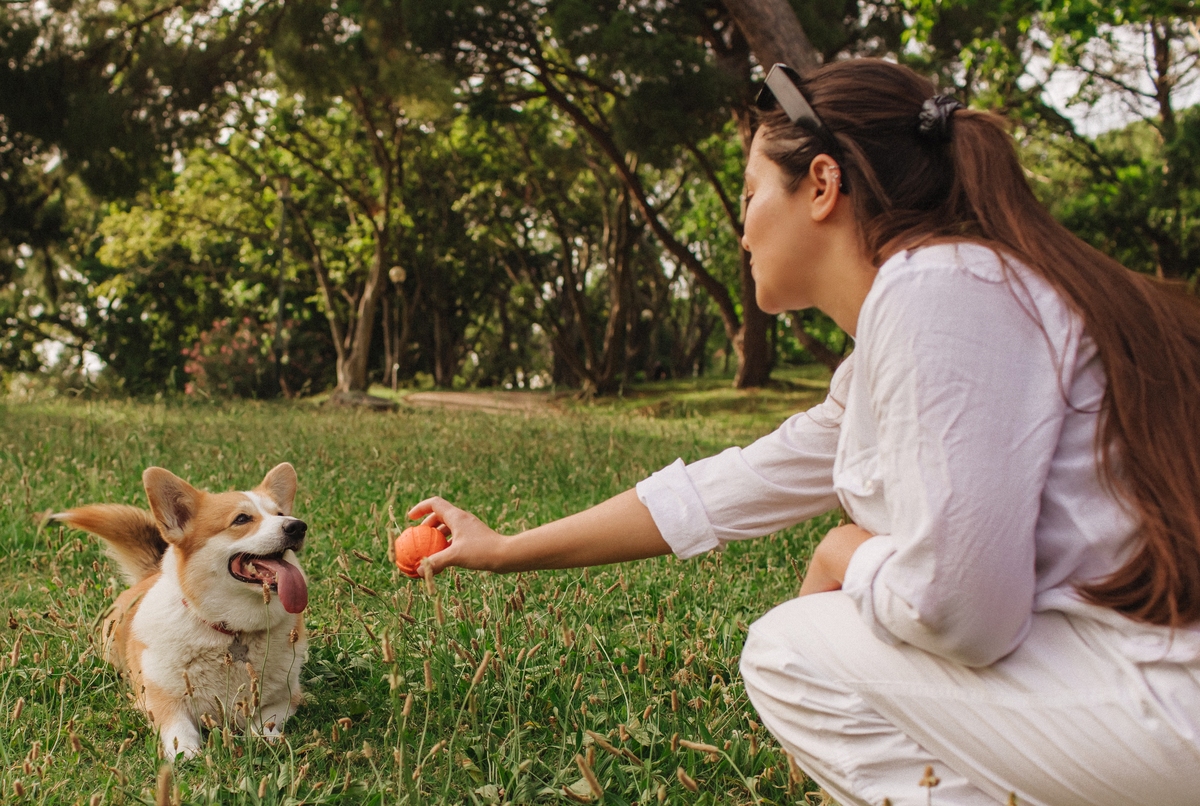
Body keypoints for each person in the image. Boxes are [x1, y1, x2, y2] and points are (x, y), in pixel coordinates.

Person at [409, 58, 1200, 806]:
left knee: (792, 653)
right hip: (1147, 690)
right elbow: (722, 490)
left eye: (750, 195)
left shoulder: (938, 291)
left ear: (822, 184)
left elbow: (964, 613)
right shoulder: (939, 305)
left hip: (1168, 703)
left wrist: (842, 552)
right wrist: (508, 547)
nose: (741, 228)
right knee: (810, 644)